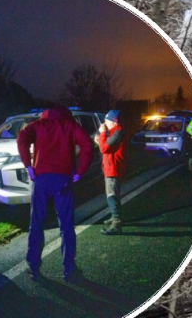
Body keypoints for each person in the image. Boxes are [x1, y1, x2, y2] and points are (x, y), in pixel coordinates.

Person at [17, 106, 93, 281]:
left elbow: (21, 139)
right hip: (63, 180)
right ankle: (69, 269)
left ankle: (33, 267)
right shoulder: (70, 125)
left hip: (41, 179)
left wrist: (28, 165)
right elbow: (87, 145)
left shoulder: (38, 124)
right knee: (66, 225)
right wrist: (80, 171)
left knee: (36, 222)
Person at [95, 110, 127, 236]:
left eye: (107, 121)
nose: (105, 123)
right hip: (111, 168)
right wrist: (100, 140)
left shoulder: (118, 132)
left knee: (111, 196)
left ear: (114, 121)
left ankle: (116, 223)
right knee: (112, 194)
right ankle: (116, 217)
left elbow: (105, 148)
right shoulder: (114, 132)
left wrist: (102, 134)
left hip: (114, 168)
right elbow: (105, 148)